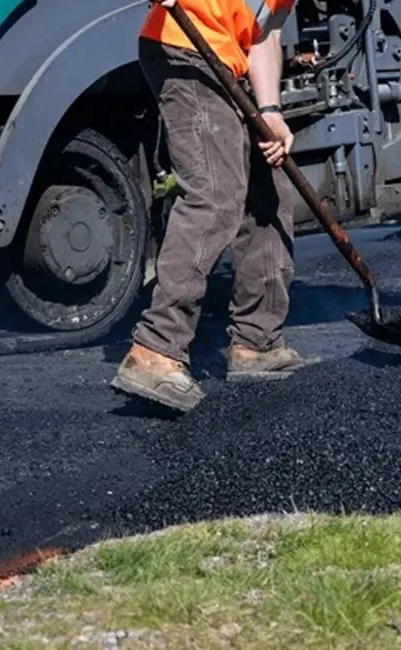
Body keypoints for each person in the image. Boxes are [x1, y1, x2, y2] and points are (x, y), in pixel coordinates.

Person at [111, 0, 304, 413]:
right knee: (215, 196)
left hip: (225, 63)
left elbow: (264, 32)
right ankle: (157, 350)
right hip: (183, 50)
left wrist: (270, 111)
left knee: (268, 192)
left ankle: (257, 342)